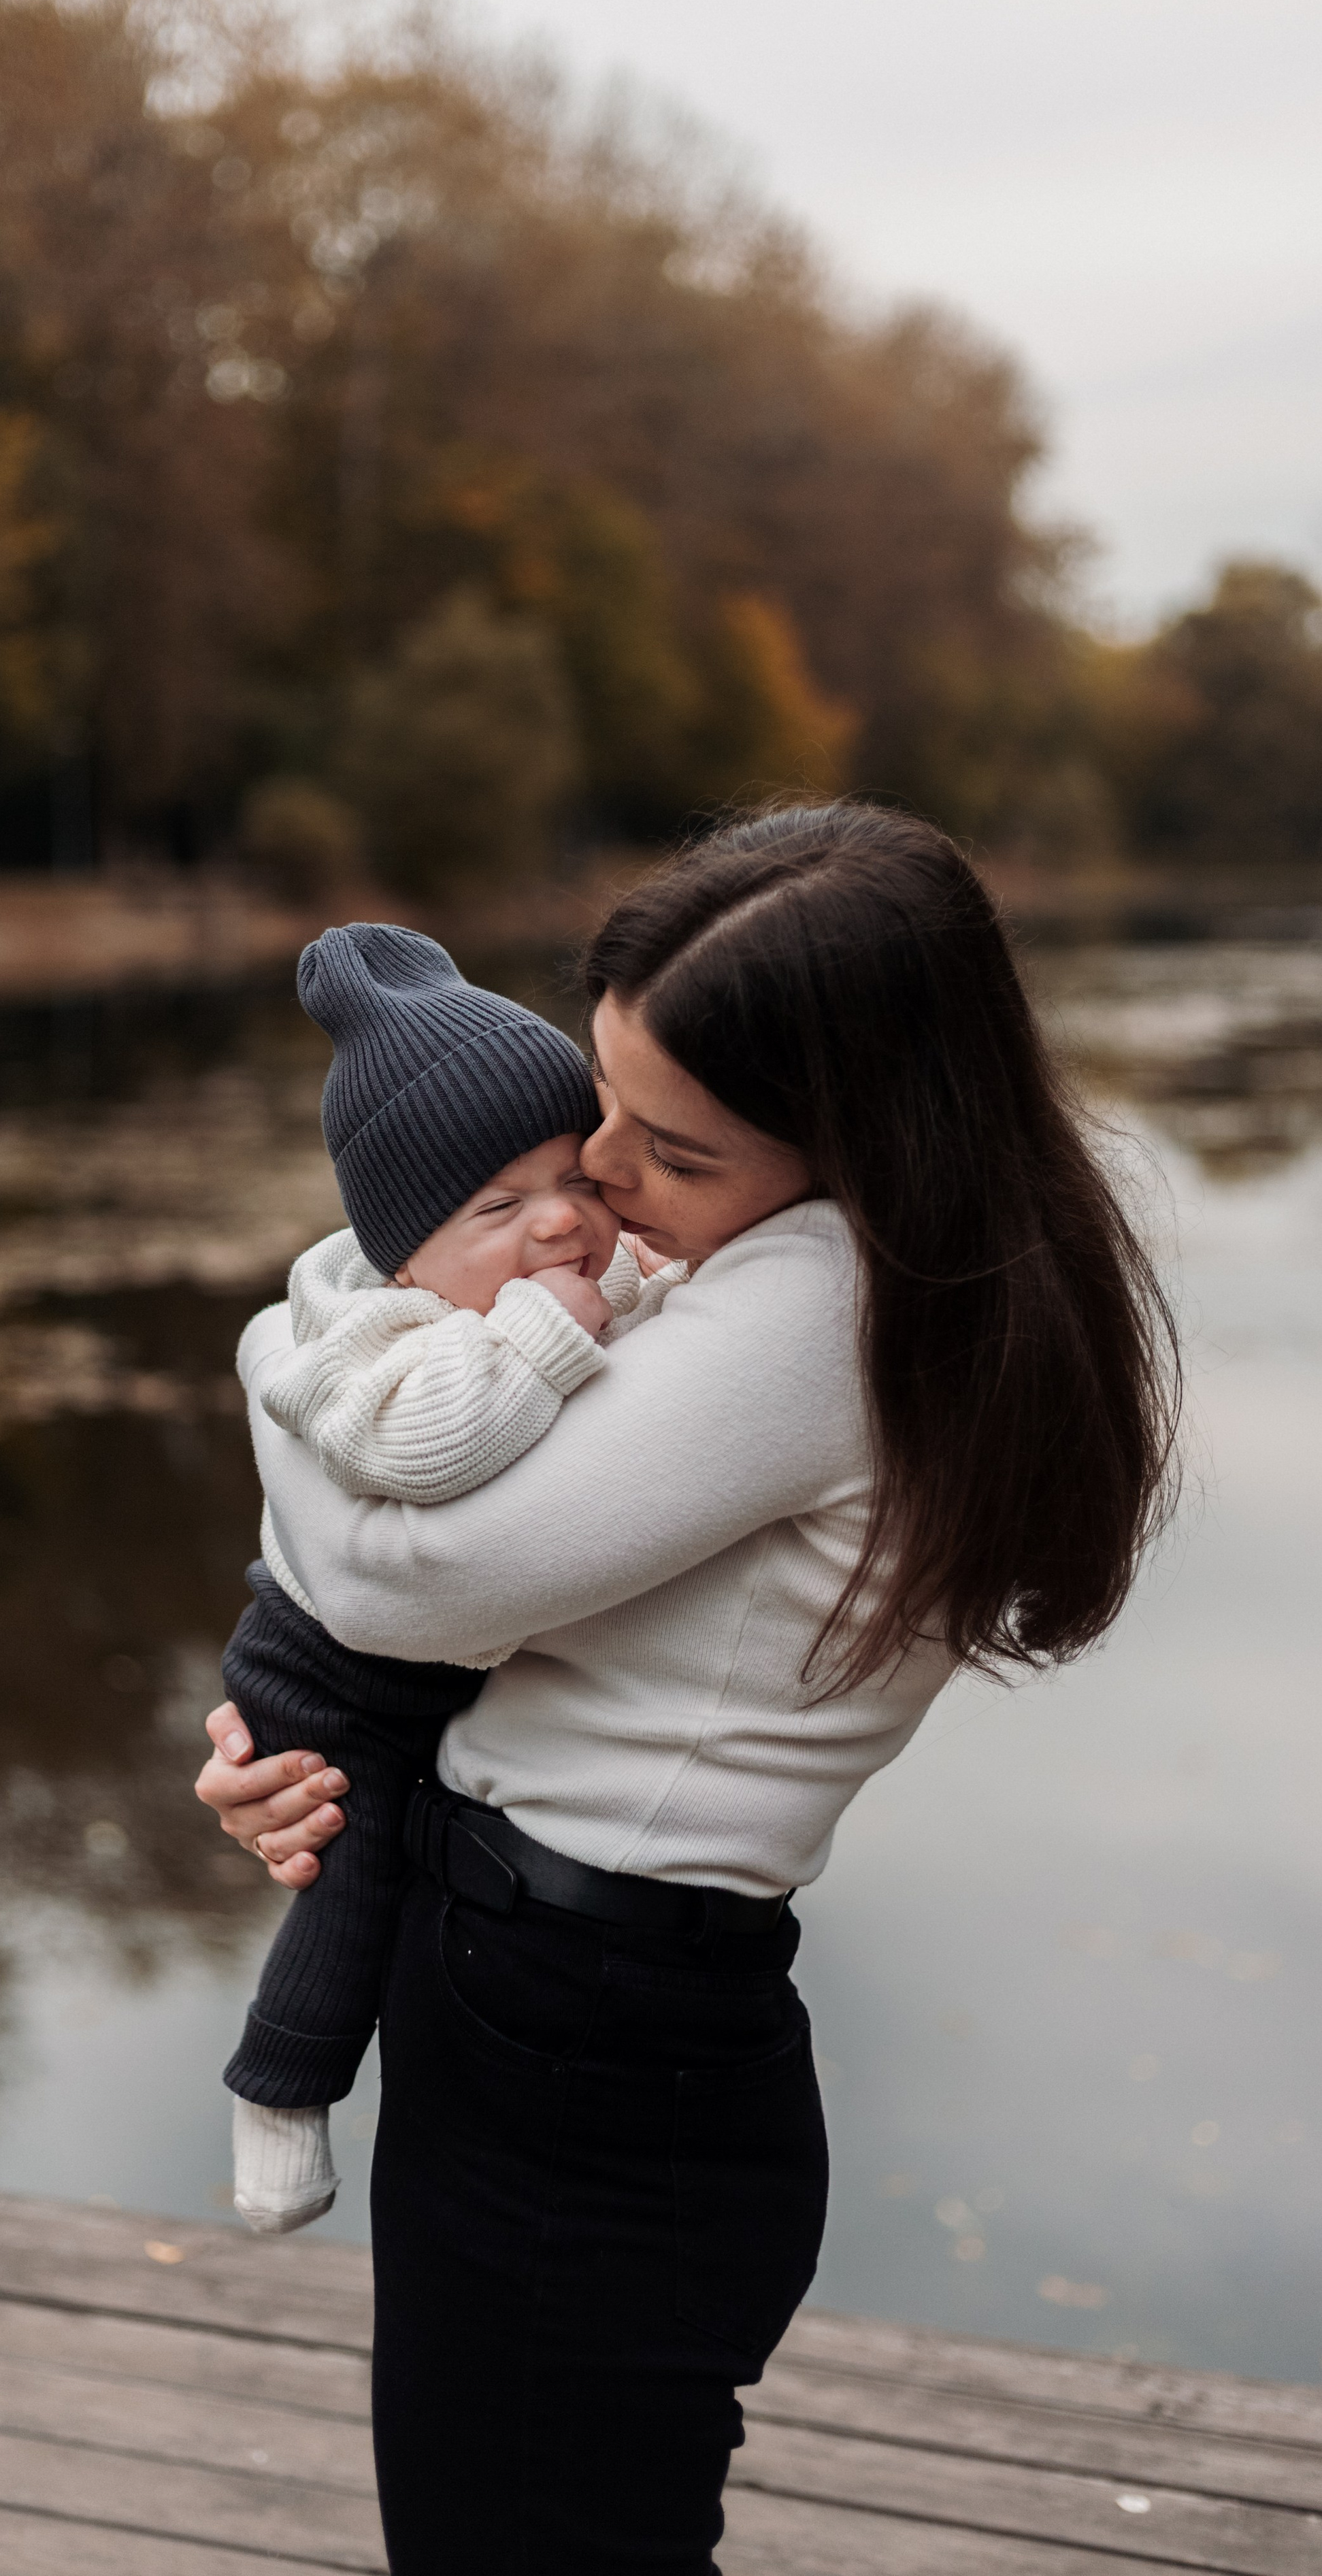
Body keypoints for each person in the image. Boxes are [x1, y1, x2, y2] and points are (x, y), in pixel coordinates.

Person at [198, 802, 1179, 2576]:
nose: (600, 1182)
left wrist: (288, 1344)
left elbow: (404, 1579)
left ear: (851, 1129)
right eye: (603, 1105)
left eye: (668, 1148)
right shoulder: (852, 1251)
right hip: (568, 1990)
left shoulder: (821, 1298)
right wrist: (304, 1746)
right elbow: (432, 1602)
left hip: (582, 2029)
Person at [223, 921, 672, 2232]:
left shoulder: (544, 1272)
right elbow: (419, 1451)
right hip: (326, 1669)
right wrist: (545, 1334)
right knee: (350, 1873)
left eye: (573, 1177)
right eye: (499, 1207)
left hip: (446, 1677)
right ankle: (279, 2092)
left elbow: (637, 1308)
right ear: (407, 1253)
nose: (560, 1221)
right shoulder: (380, 1335)